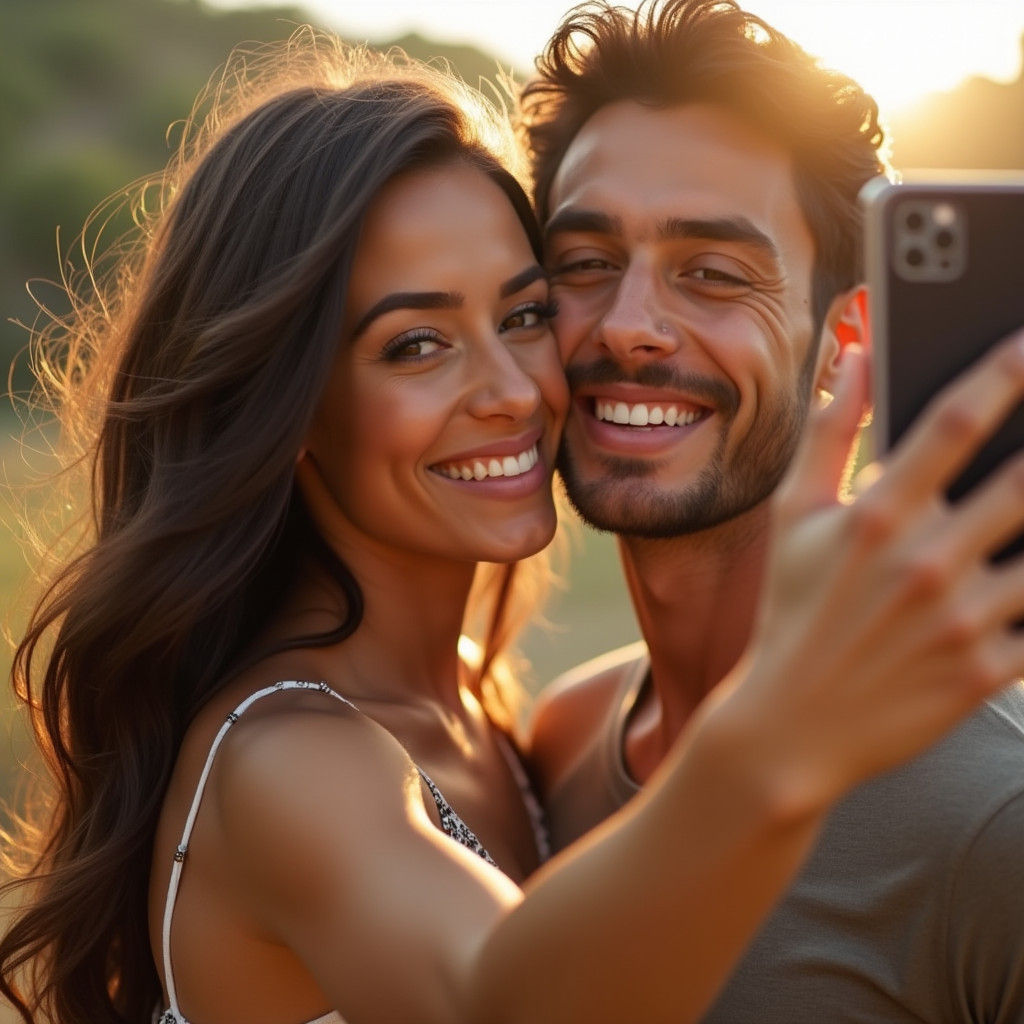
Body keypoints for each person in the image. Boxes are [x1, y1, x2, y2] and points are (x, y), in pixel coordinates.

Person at [1, 28, 1023, 1024]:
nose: (516, 382)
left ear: (845, 337)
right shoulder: (309, 762)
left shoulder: (531, 737)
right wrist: (779, 735)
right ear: (286, 403)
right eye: (413, 343)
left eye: (523, 312)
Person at [521, 1, 1024, 1021]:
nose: (628, 329)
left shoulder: (993, 813)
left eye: (712, 274)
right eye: (584, 264)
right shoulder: (561, 743)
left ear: (848, 341)